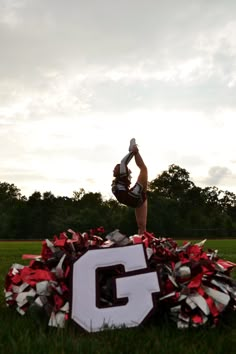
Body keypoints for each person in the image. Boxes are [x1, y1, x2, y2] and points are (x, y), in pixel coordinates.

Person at [111, 138, 148, 235]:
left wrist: (132, 152)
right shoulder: (119, 181)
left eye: (116, 168)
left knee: (144, 169)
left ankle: (135, 150)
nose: (114, 169)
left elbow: (123, 162)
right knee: (141, 225)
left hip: (133, 196)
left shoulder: (122, 176)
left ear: (121, 171)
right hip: (134, 199)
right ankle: (141, 244)